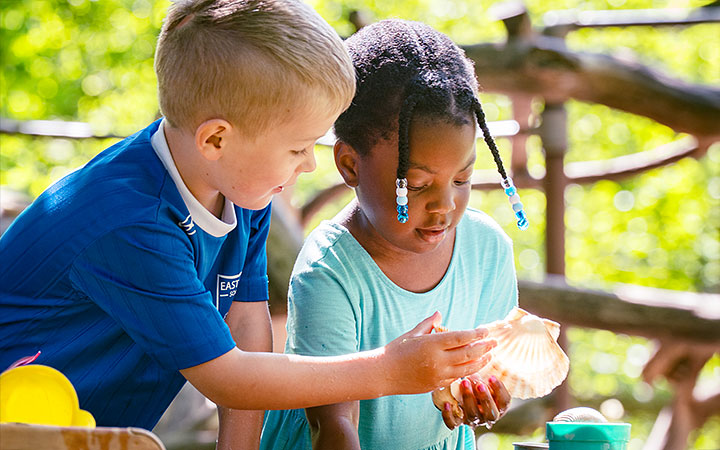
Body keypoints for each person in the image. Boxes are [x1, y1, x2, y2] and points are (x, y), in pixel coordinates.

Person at [0, 3, 497, 449]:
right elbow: (228, 375)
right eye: (297, 148)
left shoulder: (241, 188)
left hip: (81, 431)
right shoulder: (131, 222)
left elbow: (245, 326)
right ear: (217, 138)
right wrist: (389, 370)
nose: (307, 166)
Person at [260, 19, 527, 450]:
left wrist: (486, 394)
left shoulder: (486, 249)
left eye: (462, 179)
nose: (444, 206)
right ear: (350, 166)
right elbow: (332, 428)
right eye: (417, 185)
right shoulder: (329, 271)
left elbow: (495, 373)